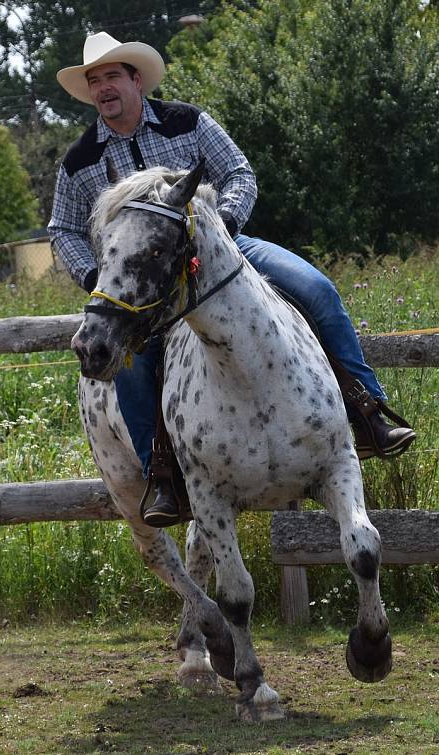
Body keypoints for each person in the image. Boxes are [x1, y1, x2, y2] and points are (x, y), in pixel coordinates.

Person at [48, 32, 416, 528]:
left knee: (315, 290)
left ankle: (365, 409)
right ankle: (163, 474)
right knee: (132, 363)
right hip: (144, 284)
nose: (103, 88)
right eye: (94, 82)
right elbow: (63, 230)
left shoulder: (188, 122)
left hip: (224, 251)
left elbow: (240, 173)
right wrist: (97, 275)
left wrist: (223, 227)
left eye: (112, 76)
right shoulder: (79, 161)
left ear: (136, 79)